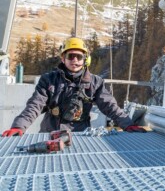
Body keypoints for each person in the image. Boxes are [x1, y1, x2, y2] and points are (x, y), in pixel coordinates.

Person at [2, 37, 146, 136]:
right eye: (70, 56)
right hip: (50, 134)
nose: (75, 60)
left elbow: (110, 106)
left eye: (79, 57)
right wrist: (19, 126)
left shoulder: (95, 83)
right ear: (62, 58)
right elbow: (35, 105)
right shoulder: (48, 80)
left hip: (80, 136)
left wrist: (128, 124)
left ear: (85, 60)